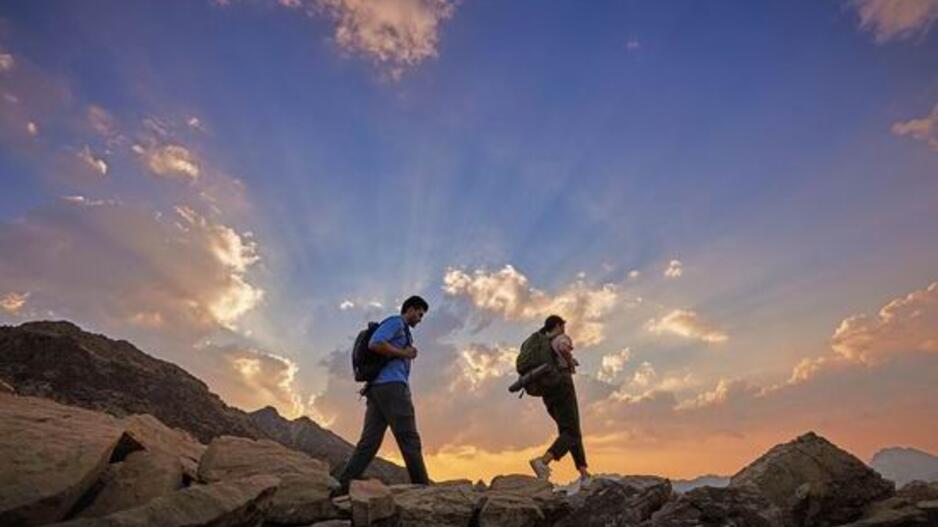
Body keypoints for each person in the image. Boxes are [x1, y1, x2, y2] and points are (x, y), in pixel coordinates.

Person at [336, 295, 431, 493]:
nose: (420, 319)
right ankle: (423, 490)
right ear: (410, 309)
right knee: (409, 438)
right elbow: (375, 343)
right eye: (420, 314)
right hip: (393, 387)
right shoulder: (396, 323)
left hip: (377, 389)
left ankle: (342, 487)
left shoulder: (402, 330)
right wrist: (405, 353)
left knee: (369, 442)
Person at [528, 315, 590, 484]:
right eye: (562, 325)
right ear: (557, 325)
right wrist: (570, 362)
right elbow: (563, 348)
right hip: (562, 384)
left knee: (569, 430)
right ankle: (543, 461)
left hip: (548, 391)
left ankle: (583, 472)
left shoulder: (543, 343)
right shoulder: (560, 338)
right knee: (572, 431)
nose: (564, 329)